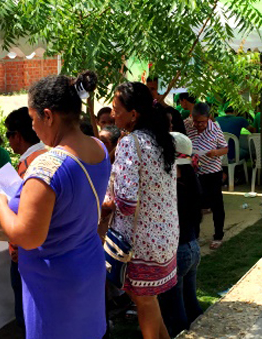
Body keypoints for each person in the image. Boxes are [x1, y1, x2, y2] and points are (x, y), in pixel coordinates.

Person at [0, 71, 110, 339]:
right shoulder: (98, 147)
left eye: (33, 119)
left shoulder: (48, 166)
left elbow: (27, 237)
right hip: (87, 264)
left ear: (48, 116)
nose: (34, 128)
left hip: (54, 280)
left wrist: (0, 204)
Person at [107, 81, 179, 339]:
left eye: (116, 109)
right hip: (165, 237)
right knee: (149, 300)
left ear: (133, 114)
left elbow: (126, 203)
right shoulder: (162, 140)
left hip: (139, 243)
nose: (113, 113)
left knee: (145, 302)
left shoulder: (130, 144)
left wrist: (106, 201)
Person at [2, 106, 47, 330]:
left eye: (8, 136)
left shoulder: (29, 165)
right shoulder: (54, 154)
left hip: (28, 253)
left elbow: (22, 214)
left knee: (29, 318)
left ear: (17, 136)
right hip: (51, 250)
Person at [157, 132, 204, 337]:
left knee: (175, 314)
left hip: (178, 253)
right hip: (192, 247)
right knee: (191, 304)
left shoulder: (172, 188)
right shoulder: (192, 181)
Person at [185, 102, 229, 250]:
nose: (198, 125)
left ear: (209, 118)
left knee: (216, 203)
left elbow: (225, 148)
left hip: (212, 170)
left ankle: (218, 235)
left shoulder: (214, 127)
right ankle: (194, 235)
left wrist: (215, 153)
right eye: (196, 121)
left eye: (202, 122)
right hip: (195, 171)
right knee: (194, 205)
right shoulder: (186, 125)